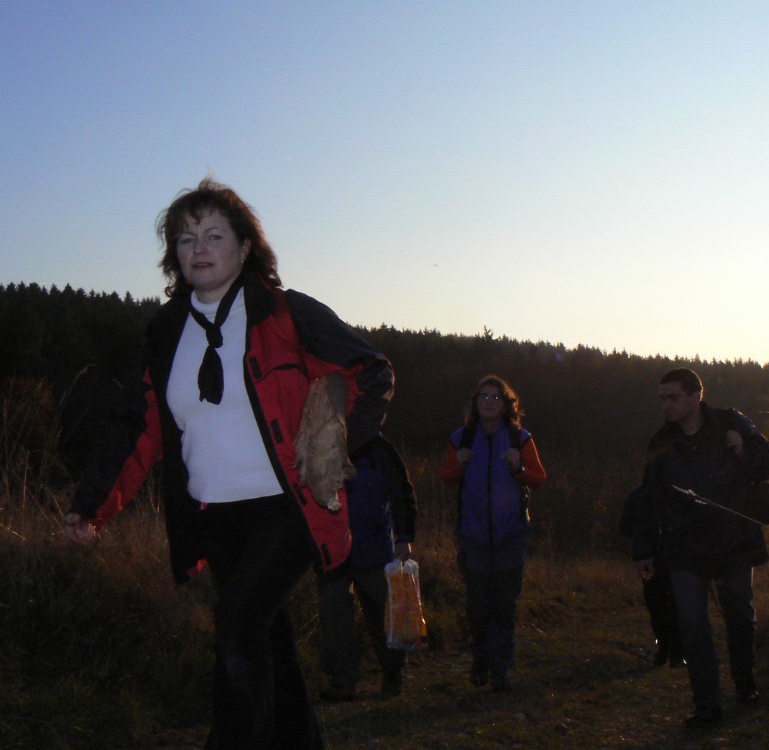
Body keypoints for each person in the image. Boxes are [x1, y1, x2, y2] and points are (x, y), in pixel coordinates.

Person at [62, 177, 394, 750]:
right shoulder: (166, 332)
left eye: (214, 235)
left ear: (244, 248)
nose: (199, 248)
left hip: (286, 509)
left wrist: (337, 446)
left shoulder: (287, 314)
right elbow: (137, 425)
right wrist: (92, 505)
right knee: (267, 639)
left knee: (239, 624)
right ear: (174, 255)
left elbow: (373, 372)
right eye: (186, 239)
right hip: (214, 516)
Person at [631, 368, 769, 728]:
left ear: (696, 395)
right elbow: (648, 497)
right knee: (692, 624)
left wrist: (742, 450)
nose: (666, 405)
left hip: (733, 541)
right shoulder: (660, 442)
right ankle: (707, 705)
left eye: (673, 397)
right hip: (684, 548)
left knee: (739, 615)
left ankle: (744, 684)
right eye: (662, 398)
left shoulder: (732, 423)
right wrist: (644, 548)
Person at [439, 375, 547, 692]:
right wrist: (459, 464)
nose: (489, 402)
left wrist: (519, 468)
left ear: (506, 405)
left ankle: (500, 669)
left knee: (503, 606)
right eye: (483, 397)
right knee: (477, 606)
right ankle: (481, 661)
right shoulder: (461, 438)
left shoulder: (519, 439)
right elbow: (447, 478)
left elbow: (539, 479)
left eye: (495, 397)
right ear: (475, 404)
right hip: (472, 537)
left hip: (510, 537)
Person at [316, 433, 417, 702]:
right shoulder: (319, 442)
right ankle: (342, 681)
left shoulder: (380, 449)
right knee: (335, 618)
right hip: (332, 549)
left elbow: (401, 491)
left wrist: (404, 536)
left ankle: (393, 671)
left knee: (382, 614)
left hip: (374, 548)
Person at [619, 485, 683, 668]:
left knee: (658, 606)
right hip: (665, 557)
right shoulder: (673, 492)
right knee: (669, 605)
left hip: (651, 557)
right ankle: (673, 652)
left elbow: (625, 527)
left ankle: (666, 650)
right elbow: (625, 526)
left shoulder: (639, 495)